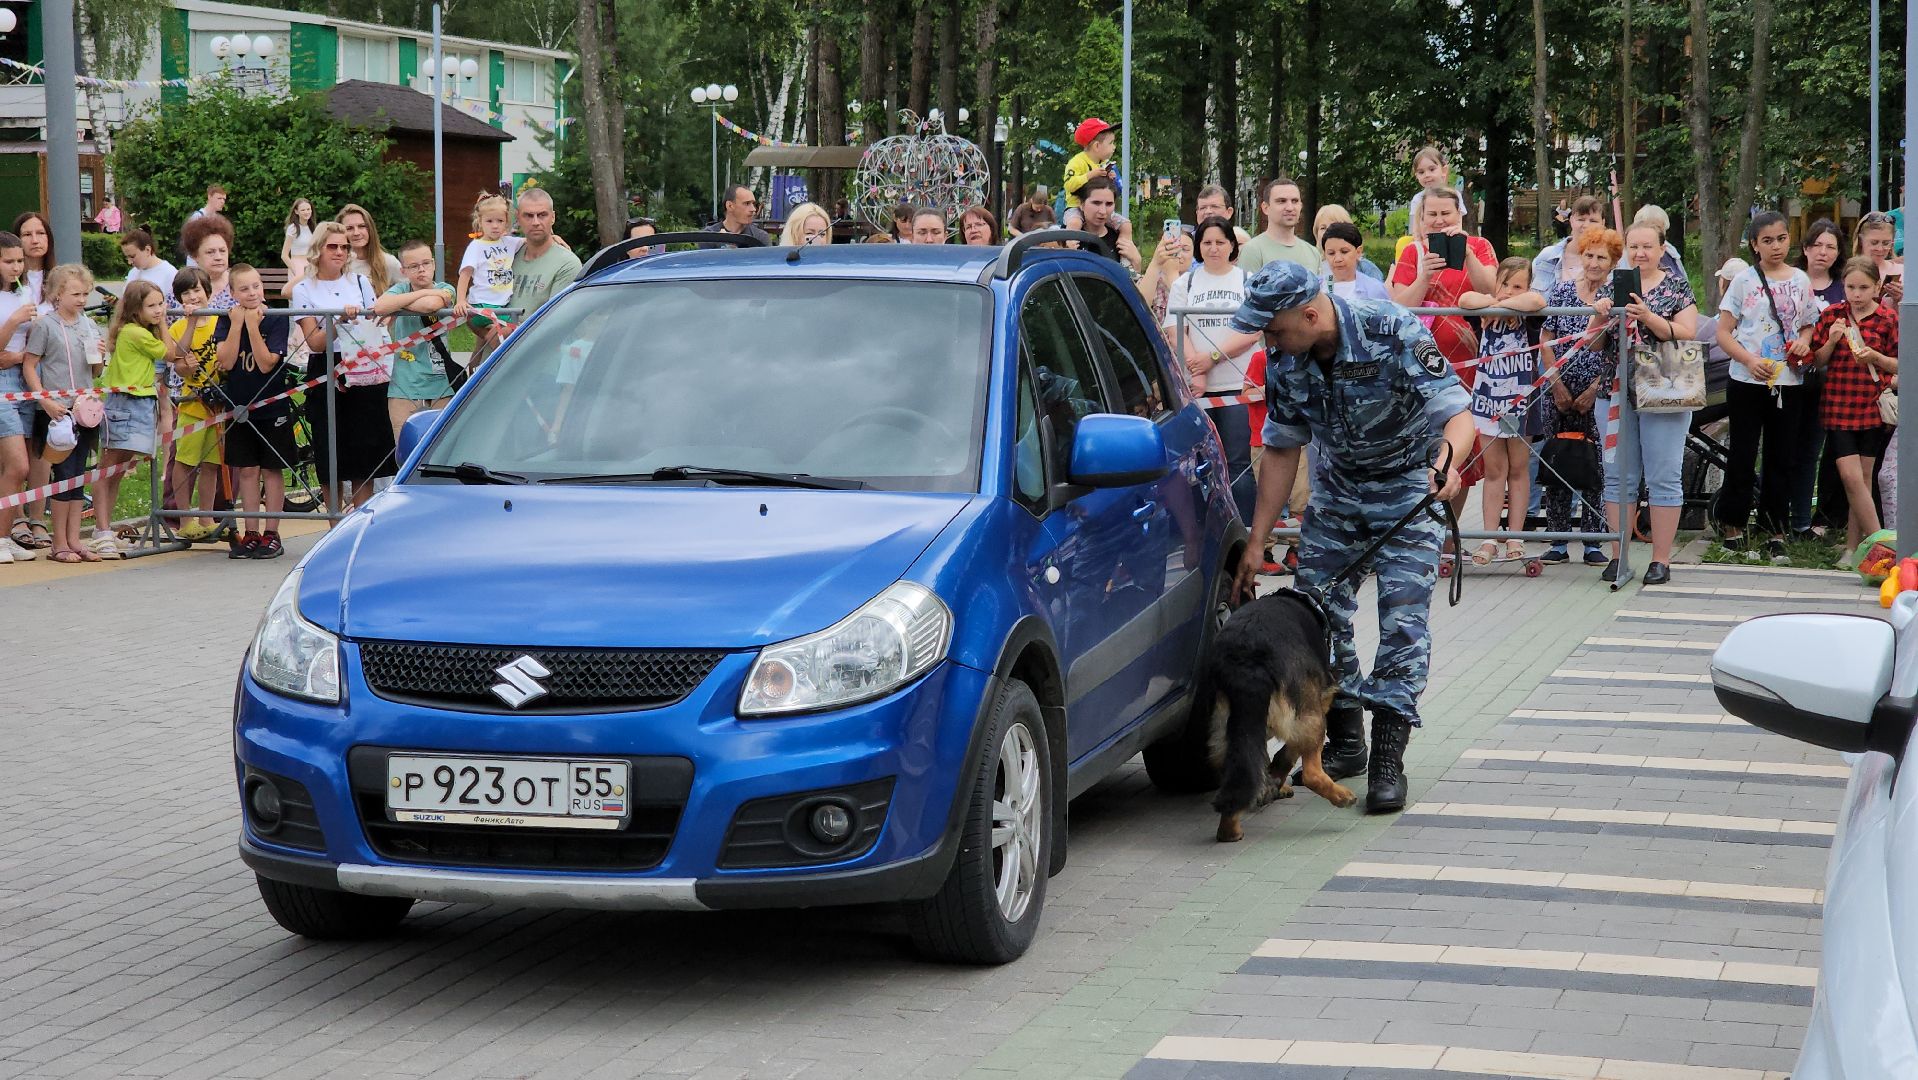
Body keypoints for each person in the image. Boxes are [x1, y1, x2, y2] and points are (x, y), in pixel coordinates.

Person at [1219, 261, 1473, 815]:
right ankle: (1345, 738)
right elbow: (1282, 448)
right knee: (1320, 619)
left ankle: (1388, 756)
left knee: (1402, 623)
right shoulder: (1284, 359)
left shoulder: (1392, 329)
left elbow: (1458, 416)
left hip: (1408, 491)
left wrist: (1446, 464)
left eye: (1274, 329)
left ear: (1310, 315)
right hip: (1336, 496)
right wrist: (1258, 540)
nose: (1267, 341)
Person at [1588, 222, 1700, 585]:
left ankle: (1661, 559)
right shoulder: (1613, 284)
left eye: (1647, 246)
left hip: (1664, 388)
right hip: (1615, 391)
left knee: (1663, 475)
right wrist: (1600, 314)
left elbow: (1688, 333)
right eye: (1633, 246)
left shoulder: (1677, 285)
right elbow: (1592, 343)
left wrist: (1648, 317)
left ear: (1662, 249)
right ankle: (1618, 555)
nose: (1640, 253)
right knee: (1617, 475)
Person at [1715, 211, 1820, 560]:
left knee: (1781, 455)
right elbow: (1723, 332)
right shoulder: (1744, 281)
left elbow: (1808, 324)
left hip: (1788, 380)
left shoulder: (1801, 280)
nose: (1776, 246)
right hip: (1747, 380)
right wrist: (1748, 360)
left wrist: (1804, 341)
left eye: (1781, 239)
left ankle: (1774, 530)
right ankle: (1733, 527)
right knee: (1743, 454)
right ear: (1754, 245)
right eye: (1767, 240)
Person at [294, 220, 396, 513]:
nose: (339, 252)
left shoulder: (360, 282)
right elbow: (315, 342)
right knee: (330, 451)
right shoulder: (304, 288)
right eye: (332, 246)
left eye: (344, 247)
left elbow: (376, 322)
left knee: (365, 450)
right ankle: (335, 522)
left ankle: (360, 519)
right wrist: (338, 321)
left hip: (362, 364)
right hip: (327, 366)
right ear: (318, 249)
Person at [1537, 227, 1619, 566]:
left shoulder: (1616, 297)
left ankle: (1593, 541)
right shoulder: (1562, 291)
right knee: (1557, 460)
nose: (1594, 263)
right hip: (1558, 390)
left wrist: (1593, 389)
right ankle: (1557, 540)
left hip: (1598, 391)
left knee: (1596, 465)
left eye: (1602, 257)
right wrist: (1556, 383)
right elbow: (1546, 339)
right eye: (1589, 255)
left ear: (1613, 262)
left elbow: (1617, 349)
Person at [1808, 257, 1898, 564]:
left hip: (1872, 405)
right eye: (1850, 287)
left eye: (1863, 288)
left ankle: (1854, 548)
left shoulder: (1887, 319)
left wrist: (1875, 357)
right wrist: (1832, 341)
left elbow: (1900, 364)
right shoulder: (1833, 315)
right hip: (1838, 404)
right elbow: (1816, 360)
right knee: (1850, 477)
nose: (1856, 294)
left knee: (1863, 478)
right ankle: (1882, 546)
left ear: (1876, 287)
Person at [1166, 217, 1256, 523]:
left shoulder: (1247, 281)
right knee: (1198, 466)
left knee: (1238, 463)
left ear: (1232, 245)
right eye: (1207, 242)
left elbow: (1253, 331)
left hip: (1238, 386)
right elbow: (1175, 331)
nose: (1214, 248)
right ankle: (1205, 531)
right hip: (1197, 389)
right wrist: (1198, 369)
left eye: (1220, 242)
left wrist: (1212, 358)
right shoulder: (1185, 283)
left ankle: (1245, 529)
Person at [1458, 257, 1548, 563]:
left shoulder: (1528, 316)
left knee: (1519, 469)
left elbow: (1537, 301)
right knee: (1495, 471)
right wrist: (1493, 304)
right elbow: (1465, 299)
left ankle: (1515, 537)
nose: (1510, 291)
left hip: (1521, 404)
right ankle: (1488, 538)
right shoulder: (1484, 314)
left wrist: (1504, 306)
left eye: (1517, 286)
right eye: (1504, 284)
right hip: (1488, 402)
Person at [213, 265, 296, 559]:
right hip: (240, 406)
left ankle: (271, 533)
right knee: (247, 470)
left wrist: (251, 327)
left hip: (271, 406)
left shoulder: (276, 318)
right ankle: (250, 532)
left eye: (256, 286)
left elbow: (265, 363)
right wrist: (238, 325)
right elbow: (225, 361)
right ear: (232, 293)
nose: (252, 293)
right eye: (244, 288)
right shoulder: (226, 320)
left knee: (271, 469)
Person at [93, 280, 181, 559]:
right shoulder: (134, 332)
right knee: (108, 468)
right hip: (125, 402)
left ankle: (104, 530)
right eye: (151, 306)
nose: (158, 310)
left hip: (141, 401)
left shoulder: (138, 331)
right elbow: (170, 353)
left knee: (118, 471)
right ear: (135, 309)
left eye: (161, 304)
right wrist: (164, 324)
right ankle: (101, 531)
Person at [20, 264, 102, 564]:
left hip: (84, 409)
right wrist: (45, 400)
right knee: (63, 475)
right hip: (57, 410)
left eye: (85, 294)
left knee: (78, 476)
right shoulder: (45, 325)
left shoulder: (89, 325)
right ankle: (59, 543)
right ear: (57, 294)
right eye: (75, 294)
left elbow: (96, 370)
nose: (82, 299)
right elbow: (30, 365)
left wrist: (100, 357)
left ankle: (74, 539)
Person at [165, 268, 225, 542]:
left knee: (212, 463)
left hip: (219, 405)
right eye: (186, 293)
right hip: (193, 404)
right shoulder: (177, 327)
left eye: (197, 290)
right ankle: (185, 518)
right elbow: (178, 361)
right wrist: (190, 324)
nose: (192, 297)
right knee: (185, 461)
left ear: (208, 292)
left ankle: (206, 516)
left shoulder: (219, 321)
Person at [379, 240, 457, 437]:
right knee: (404, 444)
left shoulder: (445, 288)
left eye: (426, 263)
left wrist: (397, 305)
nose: (422, 270)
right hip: (404, 383)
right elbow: (380, 306)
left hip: (441, 381)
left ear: (434, 264)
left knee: (440, 444)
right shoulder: (401, 289)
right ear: (403, 271)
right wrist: (425, 293)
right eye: (414, 266)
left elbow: (431, 305)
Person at [0, 233, 42, 561]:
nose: (16, 267)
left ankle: (7, 534)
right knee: (18, 464)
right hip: (2, 383)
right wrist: (14, 321)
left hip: (23, 379)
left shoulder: (23, 293)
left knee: (15, 466)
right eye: (8, 261)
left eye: (19, 261)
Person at [454, 193, 522, 356]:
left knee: (494, 338)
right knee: (510, 334)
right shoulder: (476, 246)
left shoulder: (510, 242)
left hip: (501, 307)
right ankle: (496, 361)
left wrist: (554, 237)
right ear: (480, 222)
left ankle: (477, 361)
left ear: (507, 222)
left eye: (500, 221)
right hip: (481, 306)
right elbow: (465, 274)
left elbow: (532, 241)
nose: (495, 226)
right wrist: (461, 300)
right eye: (489, 221)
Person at [507, 188, 582, 315]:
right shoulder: (508, 255)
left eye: (542, 215)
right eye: (528, 216)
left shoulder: (567, 264)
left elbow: (557, 319)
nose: (535, 222)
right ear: (518, 218)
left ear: (553, 217)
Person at [1240, 177, 1322, 274]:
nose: (1290, 208)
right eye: (1282, 201)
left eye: (1295, 201)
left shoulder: (1313, 253)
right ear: (1265, 208)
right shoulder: (1253, 251)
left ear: (1301, 206)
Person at [1530, 195, 1608, 292]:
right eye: (1581, 219)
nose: (1586, 225)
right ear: (1571, 221)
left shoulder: (1613, 262)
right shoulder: (1546, 257)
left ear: (1603, 223)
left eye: (1593, 221)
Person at [1074, 177, 1141, 271]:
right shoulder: (1066, 238)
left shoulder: (1120, 241)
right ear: (1081, 204)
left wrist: (1136, 261)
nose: (1103, 211)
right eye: (1096, 203)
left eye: (1109, 204)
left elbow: (1132, 278)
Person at [337, 204, 400, 296]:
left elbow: (410, 291)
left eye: (362, 226)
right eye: (349, 228)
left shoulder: (388, 262)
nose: (356, 233)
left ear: (370, 229)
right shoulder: (337, 264)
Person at [1319, 222, 1391, 302]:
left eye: (1344, 252)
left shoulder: (1374, 290)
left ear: (1358, 252)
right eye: (1331, 253)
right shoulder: (1317, 288)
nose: (1338, 259)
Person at [1063, 118, 1120, 212]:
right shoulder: (1077, 162)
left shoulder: (1104, 164)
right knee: (1074, 221)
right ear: (1096, 146)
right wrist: (1090, 175)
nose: (1114, 147)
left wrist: (1110, 180)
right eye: (1111, 143)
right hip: (1076, 207)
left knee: (1122, 221)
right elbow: (1069, 185)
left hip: (1100, 208)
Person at [180, 215, 235, 309]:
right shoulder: (183, 287)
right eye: (210, 252)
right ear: (195, 255)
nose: (218, 257)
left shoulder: (242, 284)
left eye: (222, 251)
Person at [1311, 204, 1381, 279]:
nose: (1328, 232)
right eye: (1323, 228)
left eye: (1333, 226)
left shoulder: (1366, 268)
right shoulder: (1311, 265)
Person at [1856, 211, 1903, 307]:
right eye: (1874, 243)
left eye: (1886, 243)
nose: (1880, 249)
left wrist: (1898, 300)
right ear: (1861, 241)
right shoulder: (1848, 270)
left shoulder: (1901, 271)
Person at [1631, 204, 1686, 279]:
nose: (1656, 232)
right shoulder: (1632, 256)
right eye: (1651, 228)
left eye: (1659, 228)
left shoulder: (1670, 251)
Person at [120, 228, 176, 301]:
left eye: (132, 256)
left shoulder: (170, 274)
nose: (129, 262)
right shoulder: (133, 273)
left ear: (147, 250)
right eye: (127, 257)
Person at [705, 185, 772, 244]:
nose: (753, 209)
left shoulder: (760, 237)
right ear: (730, 206)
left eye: (753, 204)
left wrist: (727, 244)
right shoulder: (709, 236)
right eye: (747, 203)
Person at [15, 211, 53, 307]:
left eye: (40, 233)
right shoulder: (8, 281)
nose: (35, 240)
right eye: (27, 234)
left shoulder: (60, 279)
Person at [281, 197, 316, 288]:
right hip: (297, 266)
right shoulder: (293, 228)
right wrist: (295, 271)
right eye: (303, 210)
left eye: (308, 209)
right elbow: (284, 255)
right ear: (296, 211)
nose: (306, 212)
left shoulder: (312, 228)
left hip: (310, 266)